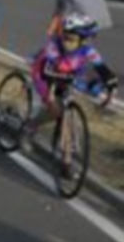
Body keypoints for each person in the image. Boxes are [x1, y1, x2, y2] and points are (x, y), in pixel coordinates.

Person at [26, 13, 118, 167]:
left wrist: (111, 86)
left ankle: (66, 152)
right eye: (65, 36)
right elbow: (49, 71)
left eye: (72, 39)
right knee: (55, 109)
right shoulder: (54, 45)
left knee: (69, 107)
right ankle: (30, 127)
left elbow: (103, 69)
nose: (66, 41)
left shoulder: (88, 50)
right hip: (44, 75)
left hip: (66, 76)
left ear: (83, 41)